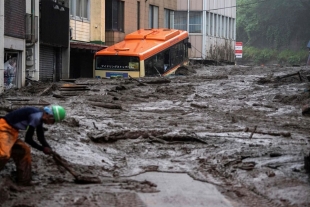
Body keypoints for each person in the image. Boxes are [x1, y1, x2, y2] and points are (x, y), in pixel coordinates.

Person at [0, 105, 66, 186]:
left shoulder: (39, 116)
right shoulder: (36, 117)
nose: (51, 123)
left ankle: (24, 181)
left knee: (24, 151)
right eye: (53, 121)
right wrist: (42, 149)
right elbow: (28, 139)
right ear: (50, 116)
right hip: (4, 128)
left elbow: (40, 137)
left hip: (13, 131)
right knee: (3, 154)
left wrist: (49, 148)